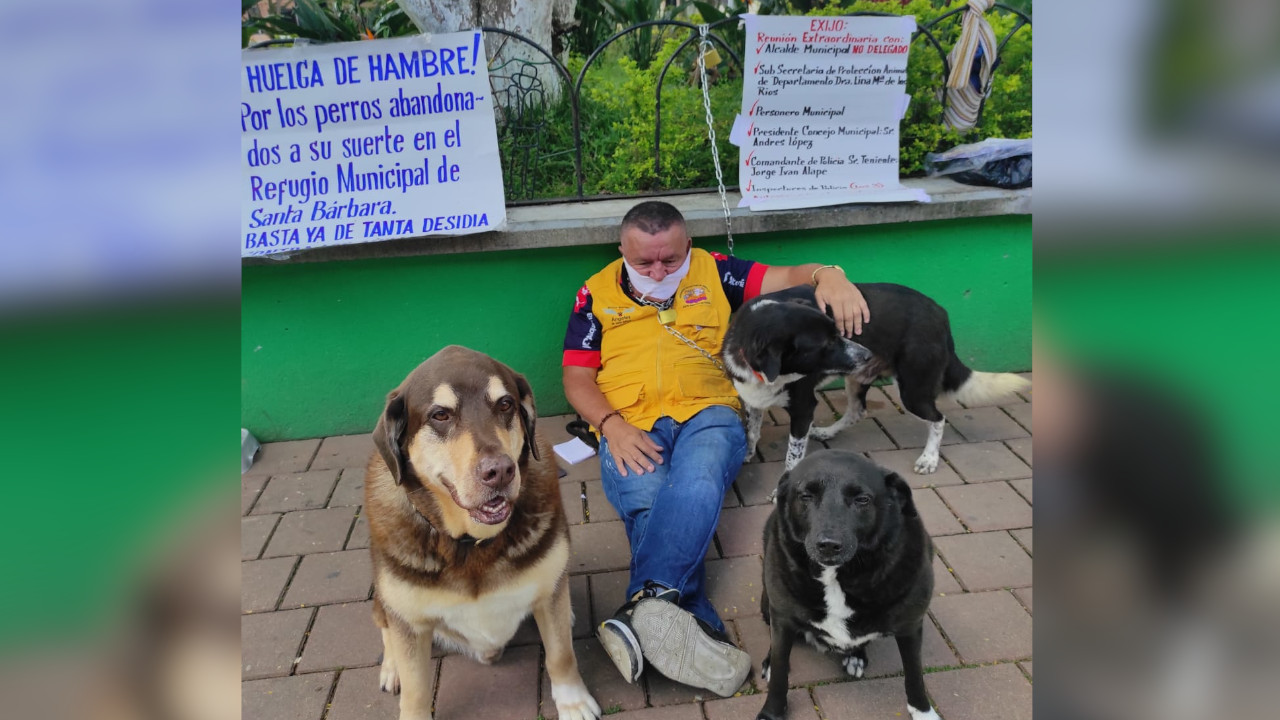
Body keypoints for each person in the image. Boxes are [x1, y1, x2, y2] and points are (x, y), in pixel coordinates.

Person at [561, 200, 870, 696]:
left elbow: (789, 273)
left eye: (672, 259)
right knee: (646, 498)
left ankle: (648, 604)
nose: (660, 271)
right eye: (645, 263)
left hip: (710, 411)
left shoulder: (717, 272)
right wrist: (610, 424)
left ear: (688, 245)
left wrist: (828, 274)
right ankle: (685, 622)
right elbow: (576, 377)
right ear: (622, 250)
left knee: (698, 483)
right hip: (629, 419)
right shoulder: (595, 292)